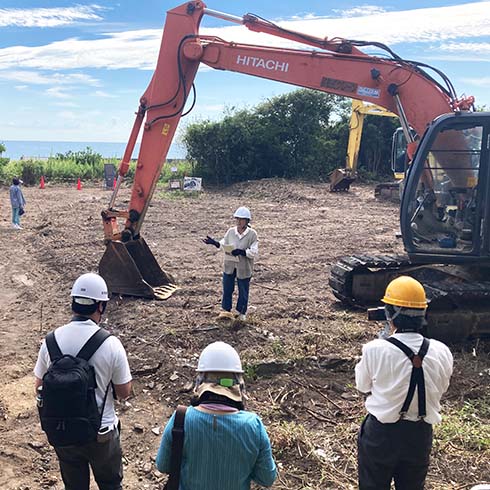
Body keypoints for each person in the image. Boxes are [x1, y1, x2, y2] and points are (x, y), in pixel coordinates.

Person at [34, 273, 133, 490]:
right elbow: (124, 391)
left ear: (73, 303)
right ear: (101, 306)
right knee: (110, 485)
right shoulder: (111, 344)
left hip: (63, 432)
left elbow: (39, 386)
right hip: (102, 433)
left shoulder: (50, 341)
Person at [355, 276, 453, 490]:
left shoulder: (375, 349)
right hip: (420, 434)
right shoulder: (442, 351)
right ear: (423, 314)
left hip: (381, 435)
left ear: (389, 313)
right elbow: (441, 389)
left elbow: (362, 386)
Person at [156, 341, 277, 490]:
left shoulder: (181, 419)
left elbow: (162, 465)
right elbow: (267, 478)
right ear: (239, 384)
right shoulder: (254, 425)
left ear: (199, 381)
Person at [203, 206, 258, 321]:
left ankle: (241, 312)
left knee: (243, 289)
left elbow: (254, 252)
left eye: (241, 219)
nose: (238, 222)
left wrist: (242, 252)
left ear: (247, 221)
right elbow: (224, 243)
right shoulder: (231, 232)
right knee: (227, 287)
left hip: (243, 267)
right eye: (237, 219)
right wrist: (215, 243)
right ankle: (226, 310)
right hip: (230, 265)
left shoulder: (252, 234)